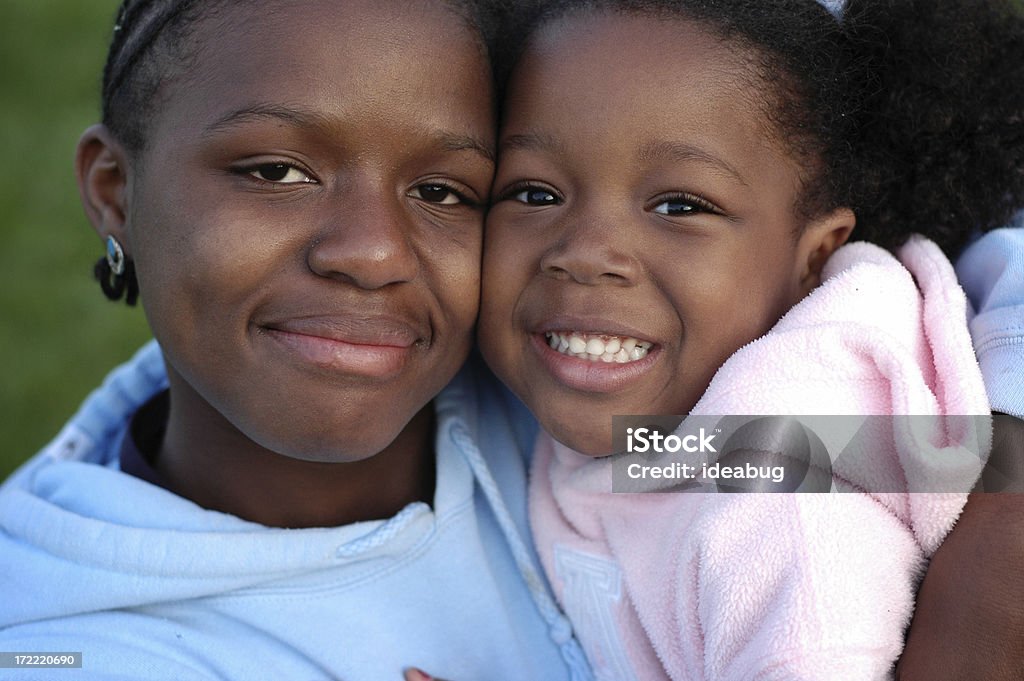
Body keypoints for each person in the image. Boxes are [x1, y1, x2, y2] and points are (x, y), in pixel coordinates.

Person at [0, 1, 590, 679]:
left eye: (441, 190)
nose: (372, 252)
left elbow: (737, 456)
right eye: (276, 173)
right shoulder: (64, 645)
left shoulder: (554, 413)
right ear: (115, 191)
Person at [472, 0, 1024, 678]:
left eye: (680, 206)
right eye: (533, 193)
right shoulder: (642, 419)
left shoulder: (782, 523)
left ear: (814, 257)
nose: (586, 253)